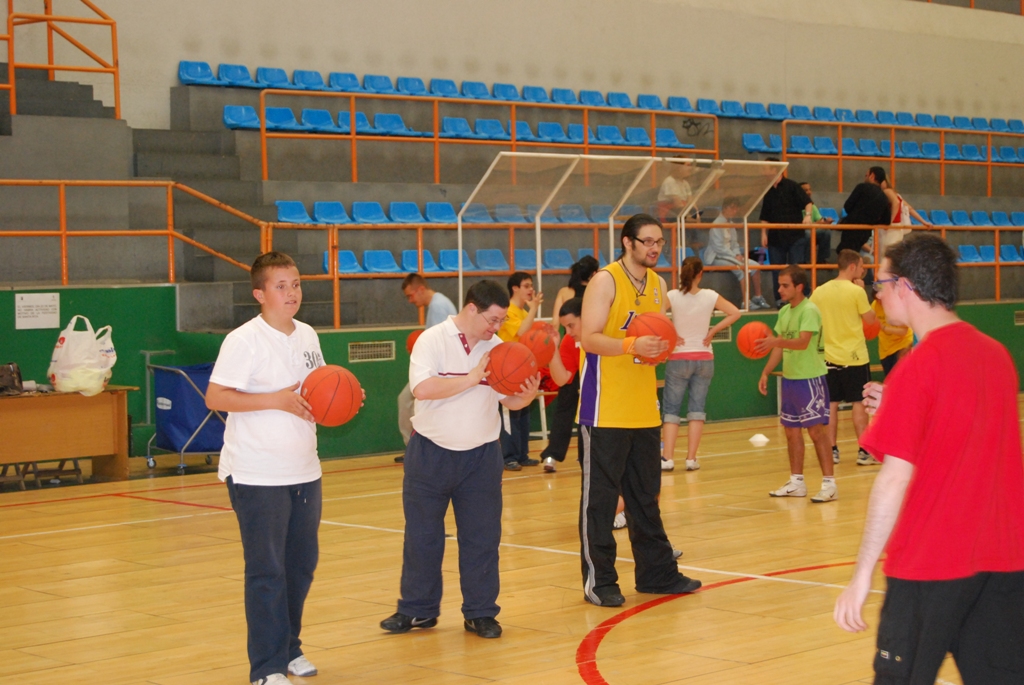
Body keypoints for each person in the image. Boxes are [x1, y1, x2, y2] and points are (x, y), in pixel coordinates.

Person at [834, 234, 1024, 684]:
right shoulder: (996, 354)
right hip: (1004, 557)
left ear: (906, 286)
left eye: (879, 285)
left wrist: (862, 575)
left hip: (931, 561)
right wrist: (898, 399)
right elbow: (957, 427)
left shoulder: (918, 367)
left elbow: (895, 480)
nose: (876, 295)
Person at [379, 280, 540, 640]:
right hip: (430, 453)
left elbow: (506, 401)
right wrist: (471, 378)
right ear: (472, 309)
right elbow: (423, 389)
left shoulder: (498, 348)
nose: (496, 328)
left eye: (500, 321)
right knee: (422, 537)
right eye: (493, 319)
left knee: (482, 538)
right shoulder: (432, 340)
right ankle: (417, 610)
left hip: (481, 456)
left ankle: (480, 613)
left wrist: (524, 398)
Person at [206, 252, 338, 685]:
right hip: (256, 473)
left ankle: (289, 647)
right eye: (281, 286)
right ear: (259, 294)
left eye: (296, 284)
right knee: (267, 570)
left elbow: (313, 392)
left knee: (301, 565)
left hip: (304, 469)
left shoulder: (308, 335)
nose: (292, 293)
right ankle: (266, 667)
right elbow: (216, 397)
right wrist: (275, 399)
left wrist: (336, 402)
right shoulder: (243, 340)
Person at [578, 213, 702, 607]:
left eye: (659, 243)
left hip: (643, 408)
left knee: (645, 498)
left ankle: (657, 574)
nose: (654, 249)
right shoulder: (605, 281)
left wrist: (663, 346)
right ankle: (600, 582)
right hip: (604, 410)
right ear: (627, 242)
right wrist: (632, 346)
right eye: (647, 242)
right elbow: (589, 339)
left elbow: (655, 336)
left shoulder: (659, 284)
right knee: (599, 502)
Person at [755, 265, 836, 502]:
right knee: (791, 432)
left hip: (810, 379)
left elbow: (801, 342)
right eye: (779, 285)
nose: (779, 289)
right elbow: (779, 346)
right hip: (790, 380)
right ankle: (796, 482)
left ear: (799, 287)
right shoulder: (784, 312)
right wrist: (766, 372)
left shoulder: (809, 310)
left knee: (816, 432)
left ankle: (830, 483)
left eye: (785, 285)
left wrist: (775, 341)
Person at [661, 257, 741, 471]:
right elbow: (735, 312)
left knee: (671, 409)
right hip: (704, 357)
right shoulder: (710, 296)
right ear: (700, 274)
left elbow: (655, 314)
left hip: (679, 357)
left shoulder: (672, 296)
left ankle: (667, 458)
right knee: (697, 409)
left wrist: (673, 333)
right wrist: (714, 330)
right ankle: (691, 459)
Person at [809, 249, 878, 466]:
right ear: (852, 267)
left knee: (830, 404)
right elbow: (871, 319)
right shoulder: (856, 291)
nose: (863, 271)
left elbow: (810, 316)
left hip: (827, 357)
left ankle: (832, 450)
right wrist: (863, 292)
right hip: (855, 356)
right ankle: (864, 451)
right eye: (861, 267)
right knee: (859, 402)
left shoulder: (820, 291)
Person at [396, 274, 457, 462]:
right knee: (409, 402)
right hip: (438, 370)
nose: (410, 300)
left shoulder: (438, 307)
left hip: (437, 372)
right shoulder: (438, 304)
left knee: (407, 400)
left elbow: (441, 346)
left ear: (421, 289)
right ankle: (417, 448)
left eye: (410, 295)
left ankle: (416, 449)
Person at [496, 272, 544, 470]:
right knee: (509, 413)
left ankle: (522, 453)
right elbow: (522, 331)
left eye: (531, 285)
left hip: (524, 369)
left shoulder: (524, 313)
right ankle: (508, 456)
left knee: (523, 412)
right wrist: (534, 308)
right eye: (526, 286)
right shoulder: (507, 312)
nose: (530, 290)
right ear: (514, 288)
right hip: (508, 371)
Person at [538, 297, 583, 472]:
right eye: (565, 327)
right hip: (578, 379)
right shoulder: (569, 341)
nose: (568, 331)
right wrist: (554, 348)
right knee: (565, 409)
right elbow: (562, 379)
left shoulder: (608, 335)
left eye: (571, 325)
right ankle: (554, 453)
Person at [759, 158, 813, 295]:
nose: (763, 171)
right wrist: (763, 234)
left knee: (796, 270)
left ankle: (803, 295)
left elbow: (808, 202)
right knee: (777, 270)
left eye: (766, 168)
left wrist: (807, 216)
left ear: (774, 170)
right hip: (776, 238)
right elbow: (765, 216)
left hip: (795, 236)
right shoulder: (768, 190)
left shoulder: (792, 186)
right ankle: (780, 299)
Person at [706, 196, 770, 310]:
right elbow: (719, 248)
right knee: (741, 268)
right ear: (724, 208)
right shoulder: (716, 224)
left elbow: (734, 244)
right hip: (717, 257)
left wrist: (737, 254)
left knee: (755, 266)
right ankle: (746, 302)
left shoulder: (731, 224)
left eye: (736, 208)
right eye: (732, 208)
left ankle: (758, 297)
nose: (734, 211)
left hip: (730, 256)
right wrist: (735, 256)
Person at [835, 166, 891, 255]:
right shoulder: (884, 197)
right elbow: (886, 220)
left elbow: (847, 206)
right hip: (865, 232)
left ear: (872, 176)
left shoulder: (862, 187)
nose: (865, 178)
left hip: (851, 228)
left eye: (866, 175)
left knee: (845, 255)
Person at [880, 179, 932, 251]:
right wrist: (924, 222)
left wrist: (890, 223)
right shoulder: (897, 195)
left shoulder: (887, 192)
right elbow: (910, 209)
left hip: (890, 228)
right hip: (897, 228)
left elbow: (901, 205)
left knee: (886, 252)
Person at [551, 255, 599, 326]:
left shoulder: (564, 292)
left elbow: (555, 323)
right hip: (589, 335)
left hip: (569, 335)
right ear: (594, 274)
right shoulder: (597, 293)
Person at [799, 181, 834, 266]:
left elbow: (820, 221)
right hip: (799, 232)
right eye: (806, 190)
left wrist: (826, 222)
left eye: (810, 190)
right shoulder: (794, 206)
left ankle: (822, 259)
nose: (809, 192)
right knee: (807, 234)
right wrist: (817, 223)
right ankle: (805, 260)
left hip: (812, 230)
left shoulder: (813, 206)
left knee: (826, 232)